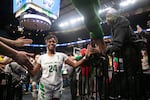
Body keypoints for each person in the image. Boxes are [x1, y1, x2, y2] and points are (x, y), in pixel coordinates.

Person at [29, 34, 89, 100]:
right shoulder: (42, 58)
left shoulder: (62, 56)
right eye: (49, 41)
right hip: (45, 86)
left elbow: (74, 65)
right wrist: (25, 63)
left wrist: (85, 57)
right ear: (46, 43)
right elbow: (34, 72)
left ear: (56, 43)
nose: (52, 43)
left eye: (53, 42)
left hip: (57, 85)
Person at [105, 8, 143, 99]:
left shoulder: (120, 23)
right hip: (126, 54)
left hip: (130, 54)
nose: (106, 19)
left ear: (114, 16)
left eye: (108, 16)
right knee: (126, 76)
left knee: (130, 77)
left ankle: (133, 96)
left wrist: (105, 50)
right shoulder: (116, 24)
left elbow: (117, 44)